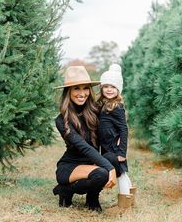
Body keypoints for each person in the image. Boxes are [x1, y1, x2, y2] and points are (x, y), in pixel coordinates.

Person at [53, 65, 116, 212]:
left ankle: (91, 199)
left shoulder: (96, 111)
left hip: (91, 163)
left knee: (112, 157)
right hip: (70, 167)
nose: (82, 93)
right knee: (102, 173)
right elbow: (83, 146)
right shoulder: (62, 120)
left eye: (85, 88)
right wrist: (109, 168)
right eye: (76, 88)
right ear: (68, 92)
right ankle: (65, 191)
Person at [98, 63, 136, 209]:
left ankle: (124, 203)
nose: (109, 89)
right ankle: (129, 197)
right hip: (107, 146)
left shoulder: (117, 107)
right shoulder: (104, 104)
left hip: (114, 147)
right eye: (106, 86)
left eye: (113, 87)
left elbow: (124, 130)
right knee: (122, 172)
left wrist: (121, 152)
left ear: (118, 89)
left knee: (120, 173)